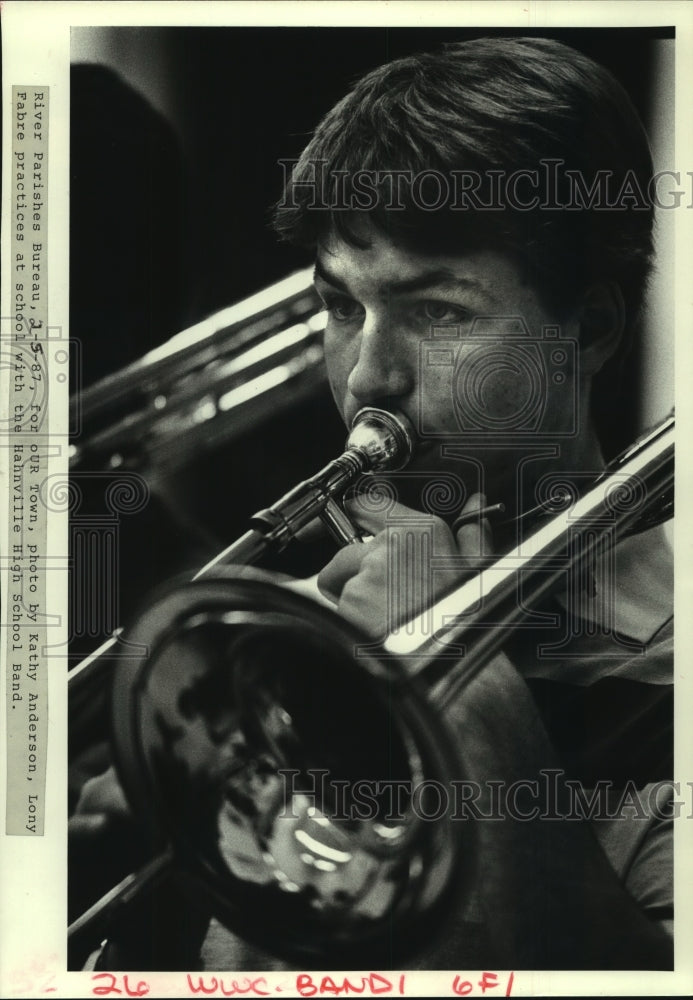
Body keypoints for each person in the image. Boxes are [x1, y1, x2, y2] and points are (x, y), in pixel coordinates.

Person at [71, 36, 673, 971]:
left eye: (436, 311)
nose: (366, 376)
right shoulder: (283, 634)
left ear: (586, 330)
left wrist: (463, 680)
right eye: (342, 307)